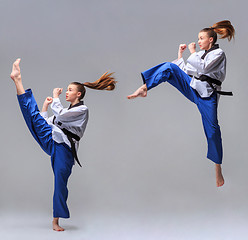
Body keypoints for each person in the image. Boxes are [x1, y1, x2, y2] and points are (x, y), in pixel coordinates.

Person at [10, 58, 116, 231]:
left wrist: (55, 97)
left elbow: (58, 115)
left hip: (64, 150)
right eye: (66, 90)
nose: (66, 92)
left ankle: (55, 221)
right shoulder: (67, 111)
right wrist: (45, 106)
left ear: (79, 94)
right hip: (52, 141)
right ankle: (17, 79)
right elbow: (48, 121)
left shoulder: (82, 110)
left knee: (60, 182)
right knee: (33, 116)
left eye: (70, 90)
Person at [127, 20, 235, 187]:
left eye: (201, 38)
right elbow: (188, 71)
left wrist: (192, 52)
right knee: (169, 68)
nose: (198, 41)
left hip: (208, 96)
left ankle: (217, 168)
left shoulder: (218, 54)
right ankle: (145, 87)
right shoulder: (199, 54)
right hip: (193, 87)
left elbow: (204, 68)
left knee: (212, 131)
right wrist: (180, 56)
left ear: (211, 40)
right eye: (198, 39)